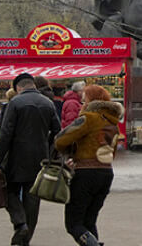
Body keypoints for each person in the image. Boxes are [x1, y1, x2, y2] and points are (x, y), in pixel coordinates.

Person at [0, 73, 60, 246]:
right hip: (40, 158)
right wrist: (47, 147)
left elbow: (5, 133)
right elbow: (58, 131)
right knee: (33, 198)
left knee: (8, 191)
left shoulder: (15, 103)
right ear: (33, 85)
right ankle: (25, 239)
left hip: (16, 157)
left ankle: (20, 223)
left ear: (18, 88)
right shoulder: (48, 103)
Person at [55, 84, 124, 245]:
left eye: (85, 97)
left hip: (85, 173)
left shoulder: (89, 118)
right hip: (106, 173)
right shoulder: (112, 123)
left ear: (91, 100)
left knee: (73, 223)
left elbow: (61, 139)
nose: (82, 100)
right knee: (89, 221)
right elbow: (112, 152)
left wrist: (70, 152)